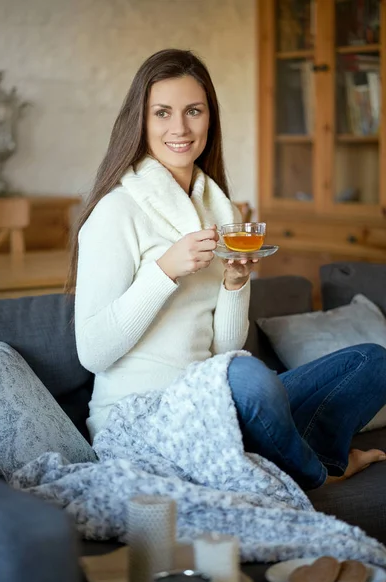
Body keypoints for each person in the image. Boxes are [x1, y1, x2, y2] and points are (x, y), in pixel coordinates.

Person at [69, 48, 386, 491]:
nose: (179, 128)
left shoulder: (219, 210)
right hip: (144, 416)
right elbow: (94, 352)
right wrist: (164, 272)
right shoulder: (117, 212)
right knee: (250, 377)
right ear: (139, 122)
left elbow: (222, 349)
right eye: (162, 113)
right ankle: (314, 472)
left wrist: (236, 284)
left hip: (215, 401)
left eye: (193, 111)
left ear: (209, 119)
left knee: (371, 361)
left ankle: (273, 450)